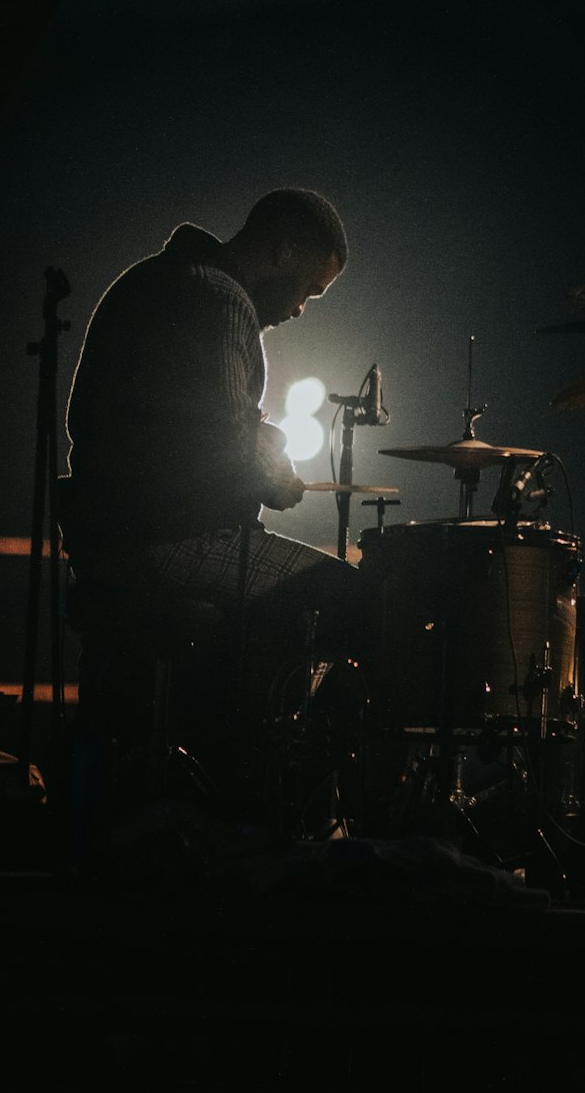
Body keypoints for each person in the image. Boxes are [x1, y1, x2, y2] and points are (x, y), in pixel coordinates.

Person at [57, 188, 364, 843]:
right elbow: (229, 449)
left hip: (111, 533)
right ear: (281, 251)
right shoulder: (221, 299)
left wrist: (256, 443)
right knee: (356, 601)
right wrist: (276, 475)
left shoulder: (156, 280)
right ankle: (290, 813)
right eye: (309, 287)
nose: (301, 308)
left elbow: (190, 422)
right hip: (171, 538)